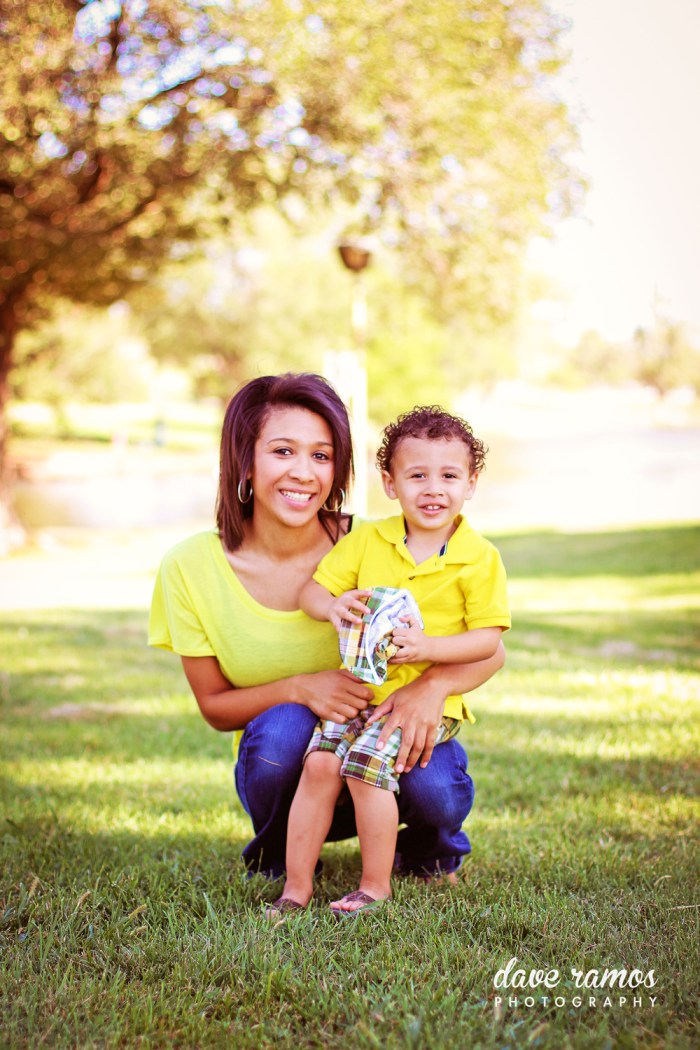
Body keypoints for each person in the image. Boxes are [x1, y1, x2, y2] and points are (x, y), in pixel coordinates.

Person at [148, 375, 505, 893]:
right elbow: (215, 709)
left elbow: (490, 651)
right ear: (243, 459)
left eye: (321, 455)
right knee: (283, 729)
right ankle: (283, 857)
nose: (303, 472)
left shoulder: (379, 542)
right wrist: (300, 688)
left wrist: (426, 688)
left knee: (435, 784)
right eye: (283, 450)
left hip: (383, 746)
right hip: (295, 769)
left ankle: (426, 851)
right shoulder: (189, 566)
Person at [272, 406, 510, 917]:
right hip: (358, 691)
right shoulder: (368, 540)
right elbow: (313, 591)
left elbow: (489, 638)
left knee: (363, 769)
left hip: (424, 708)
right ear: (390, 482)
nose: (433, 489)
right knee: (318, 765)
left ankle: (374, 886)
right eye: (416, 475)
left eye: (449, 475)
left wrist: (429, 650)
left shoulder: (479, 557)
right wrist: (332, 607)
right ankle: (295, 889)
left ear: (470, 484)